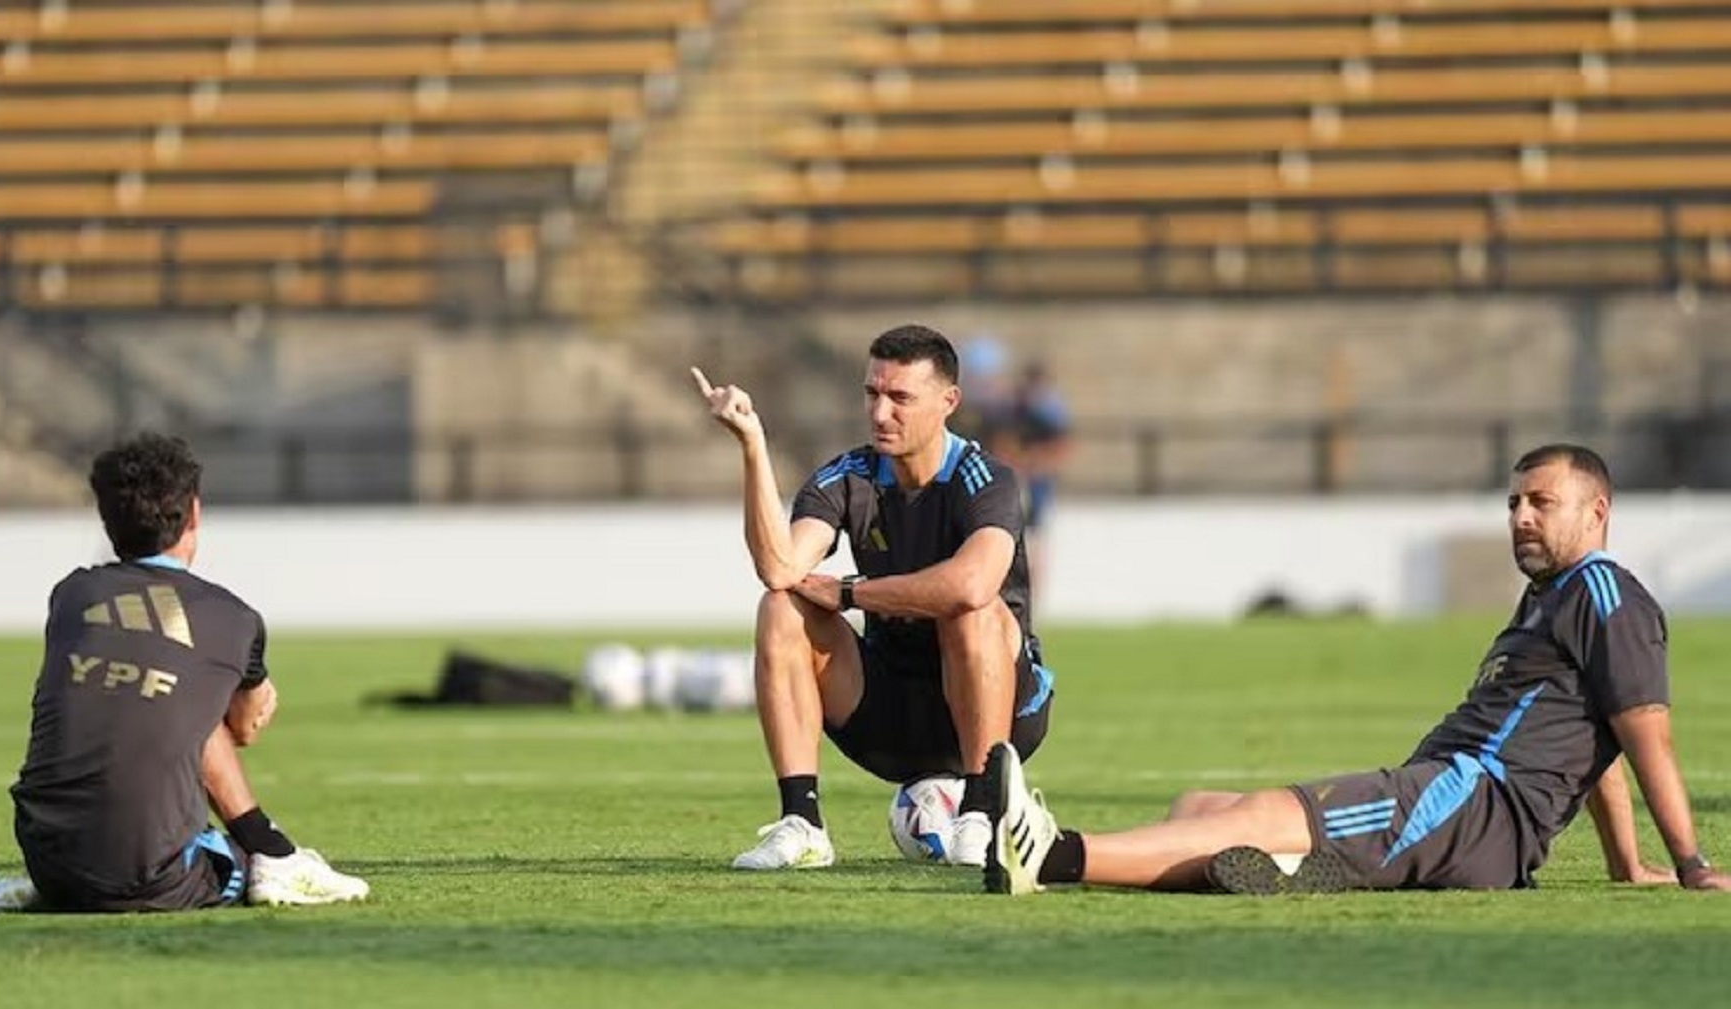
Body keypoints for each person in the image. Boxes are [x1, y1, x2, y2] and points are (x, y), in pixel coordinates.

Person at [984, 444, 1731, 896]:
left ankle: (1053, 853)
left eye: (1542, 501)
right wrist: (1625, 865)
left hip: (1471, 799)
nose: (1521, 517)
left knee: (1274, 811)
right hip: (1457, 797)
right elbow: (1597, 737)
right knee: (1201, 806)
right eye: (1513, 503)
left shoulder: (1602, 590)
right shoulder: (1550, 598)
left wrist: (1692, 863)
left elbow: (1643, 734)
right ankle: (1278, 868)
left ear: (1597, 511)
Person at [0, 433, 369, 913]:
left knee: (165, 697)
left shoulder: (71, 596)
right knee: (233, 850)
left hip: (47, 863)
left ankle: (267, 856)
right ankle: (276, 855)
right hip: (152, 879)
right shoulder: (231, 616)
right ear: (193, 512)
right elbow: (246, 727)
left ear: (108, 521)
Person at [692, 324, 1055, 871]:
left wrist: (851, 593)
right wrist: (753, 445)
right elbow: (779, 566)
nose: (881, 413)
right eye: (872, 394)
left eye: (900, 398)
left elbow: (972, 584)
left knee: (970, 610)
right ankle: (803, 823)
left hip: (1004, 714)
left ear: (948, 401)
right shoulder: (848, 477)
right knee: (780, 606)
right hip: (893, 718)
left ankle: (982, 811)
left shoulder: (985, 477)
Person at [1010, 360, 1072, 597]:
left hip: (1036, 489)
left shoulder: (1046, 416)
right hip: (1021, 487)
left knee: (1035, 542)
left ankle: (1033, 593)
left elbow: (1060, 448)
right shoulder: (1018, 413)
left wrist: (1034, 464)